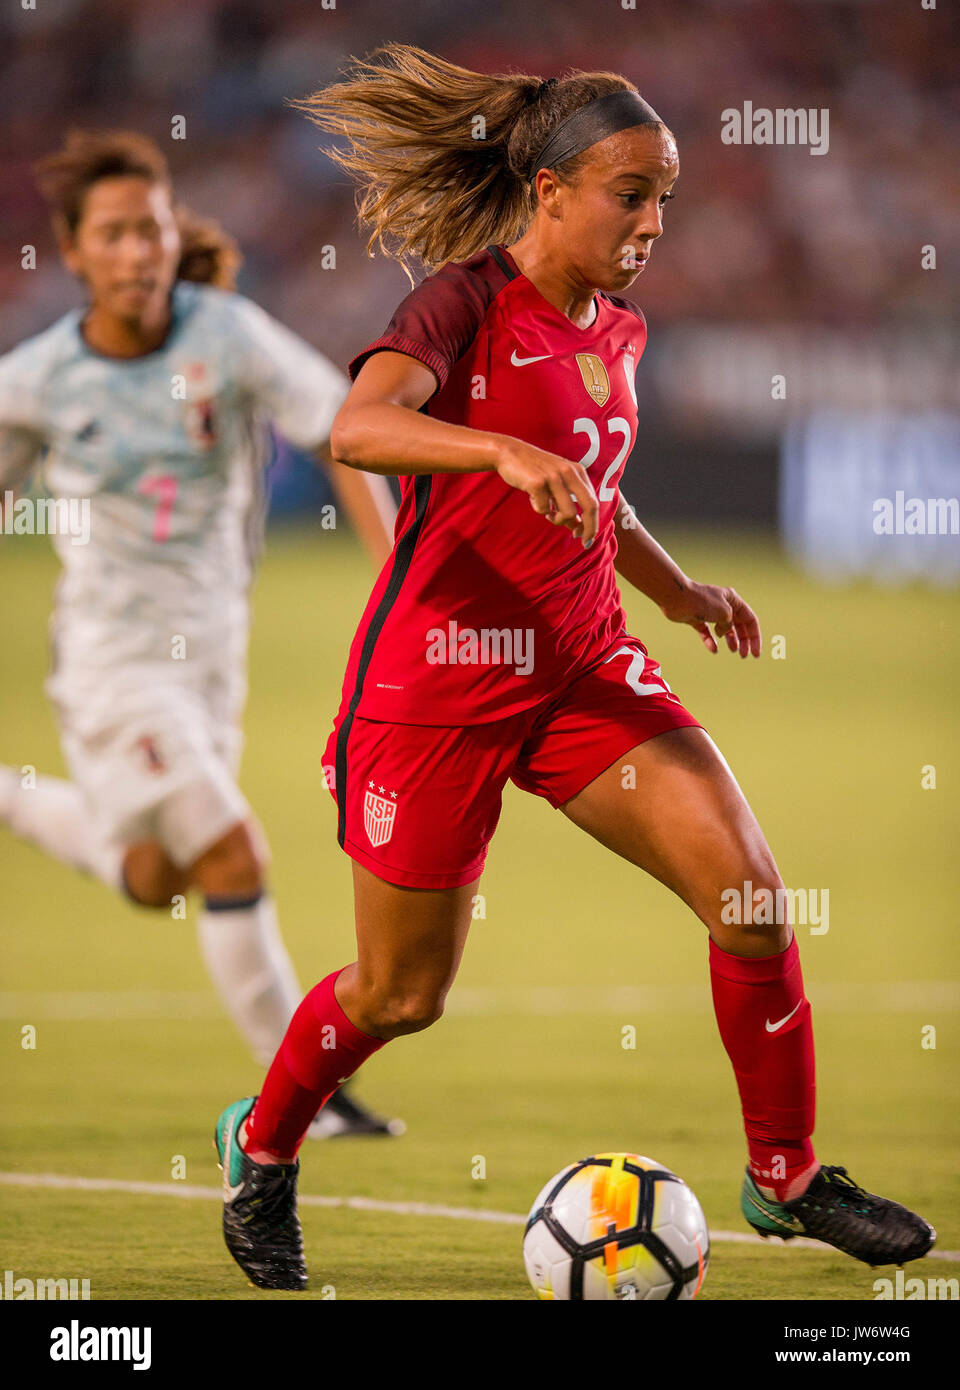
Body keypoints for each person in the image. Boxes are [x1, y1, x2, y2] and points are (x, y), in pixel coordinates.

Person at [215, 45, 935, 1289]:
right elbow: (359, 426)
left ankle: (787, 1176)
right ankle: (264, 1151)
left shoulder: (626, 330)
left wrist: (677, 590)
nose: (654, 222)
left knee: (752, 901)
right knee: (398, 996)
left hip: (584, 670)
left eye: (666, 197)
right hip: (434, 690)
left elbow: (598, 489)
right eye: (631, 193)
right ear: (548, 192)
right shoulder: (461, 304)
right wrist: (491, 452)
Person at [0, 128, 403, 1140]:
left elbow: (347, 434)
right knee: (232, 853)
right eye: (116, 234)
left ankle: (7, 798)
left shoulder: (227, 335)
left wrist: (395, 575)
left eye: (154, 227)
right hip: (111, 667)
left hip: (215, 661)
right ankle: (302, 1102)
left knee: (155, 877)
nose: (140, 249)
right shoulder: (35, 380)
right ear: (77, 253)